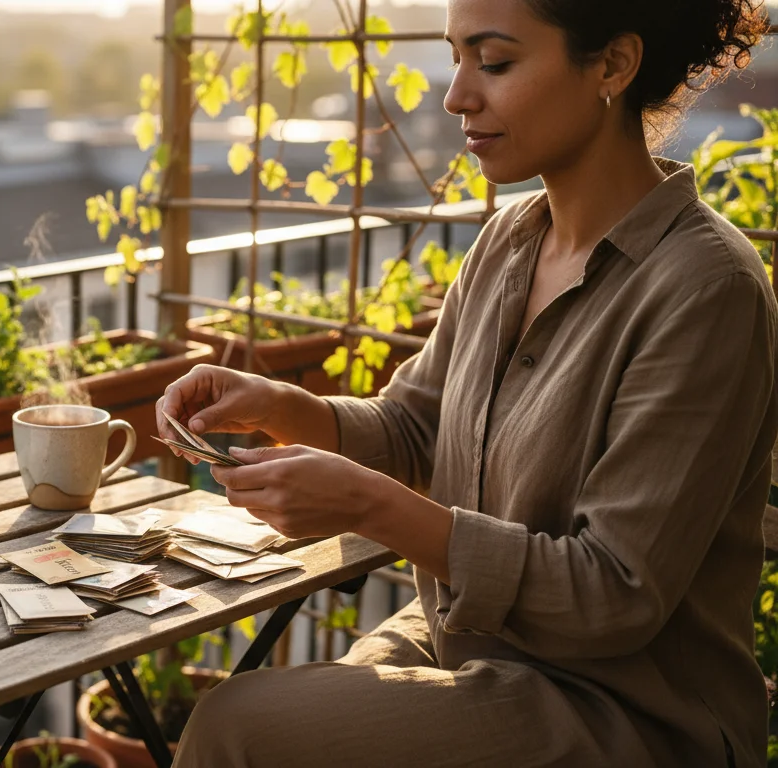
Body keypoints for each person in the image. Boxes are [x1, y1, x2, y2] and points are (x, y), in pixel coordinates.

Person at [158, 0, 775, 765]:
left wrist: (366, 504)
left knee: (238, 725)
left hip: (630, 712)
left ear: (613, 65)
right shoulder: (509, 242)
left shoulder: (706, 288)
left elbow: (613, 593)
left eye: (496, 62)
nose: (456, 95)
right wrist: (284, 407)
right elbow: (415, 428)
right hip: (473, 646)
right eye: (456, 57)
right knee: (278, 711)